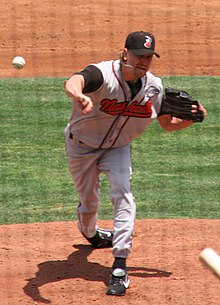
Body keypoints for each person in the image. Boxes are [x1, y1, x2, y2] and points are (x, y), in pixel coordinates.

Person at [64, 31, 207, 296]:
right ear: (125, 53)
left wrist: (194, 118)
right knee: (89, 201)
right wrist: (79, 96)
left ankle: (119, 265)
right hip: (81, 147)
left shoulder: (154, 87)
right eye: (139, 56)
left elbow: (167, 124)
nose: (143, 62)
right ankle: (91, 233)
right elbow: (74, 81)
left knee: (123, 195)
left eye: (148, 58)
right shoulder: (103, 74)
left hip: (118, 149)